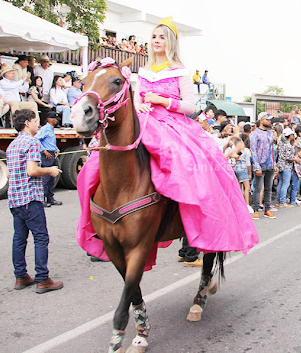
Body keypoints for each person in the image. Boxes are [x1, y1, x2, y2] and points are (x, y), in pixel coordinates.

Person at [75, 18, 259, 267]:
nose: (157, 41)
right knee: (97, 164)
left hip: (173, 124)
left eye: (162, 37)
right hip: (143, 120)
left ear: (170, 42)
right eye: (154, 37)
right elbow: (135, 97)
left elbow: (191, 106)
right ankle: (101, 223)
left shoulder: (181, 70)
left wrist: (163, 101)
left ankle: (188, 215)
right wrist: (138, 104)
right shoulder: (145, 70)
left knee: (191, 163)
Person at [6, 109, 63, 293]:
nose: (37, 124)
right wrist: (50, 170)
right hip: (30, 197)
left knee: (19, 239)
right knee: (41, 238)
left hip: (15, 199)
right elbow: (32, 170)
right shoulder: (31, 142)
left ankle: (21, 275)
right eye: (35, 120)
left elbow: (10, 173)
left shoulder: (12, 145)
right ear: (27, 123)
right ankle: (42, 279)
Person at [250, 112, 277, 219]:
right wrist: (257, 166)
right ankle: (256, 209)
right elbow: (254, 151)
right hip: (260, 165)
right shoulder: (254, 134)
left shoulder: (270, 133)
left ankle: (267, 209)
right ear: (261, 120)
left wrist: (274, 164)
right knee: (258, 188)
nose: (270, 121)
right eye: (268, 119)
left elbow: (272, 150)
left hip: (270, 165)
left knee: (268, 188)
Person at [35, 111, 63, 207]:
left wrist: (56, 149)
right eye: (55, 119)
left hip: (51, 154)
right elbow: (36, 139)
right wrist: (43, 150)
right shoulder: (45, 129)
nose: (56, 121)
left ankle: (50, 198)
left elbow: (50, 143)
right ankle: (42, 199)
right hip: (46, 155)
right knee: (46, 178)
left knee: (52, 177)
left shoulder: (51, 129)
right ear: (50, 119)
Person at [275, 128, 295, 208]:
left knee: (280, 183)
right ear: (290, 136)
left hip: (280, 165)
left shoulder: (281, 144)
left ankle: (278, 200)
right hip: (286, 166)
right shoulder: (288, 145)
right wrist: (296, 159)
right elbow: (289, 157)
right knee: (285, 184)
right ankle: (282, 201)